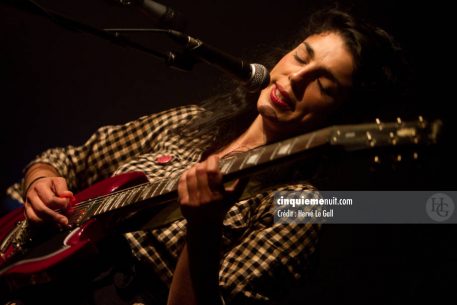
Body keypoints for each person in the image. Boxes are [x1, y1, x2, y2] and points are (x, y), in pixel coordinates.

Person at [3, 7, 402, 305]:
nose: (297, 78)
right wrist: (41, 181)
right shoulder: (190, 123)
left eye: (324, 84)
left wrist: (204, 229)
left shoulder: (298, 206)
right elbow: (70, 158)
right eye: (302, 57)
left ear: (340, 115)